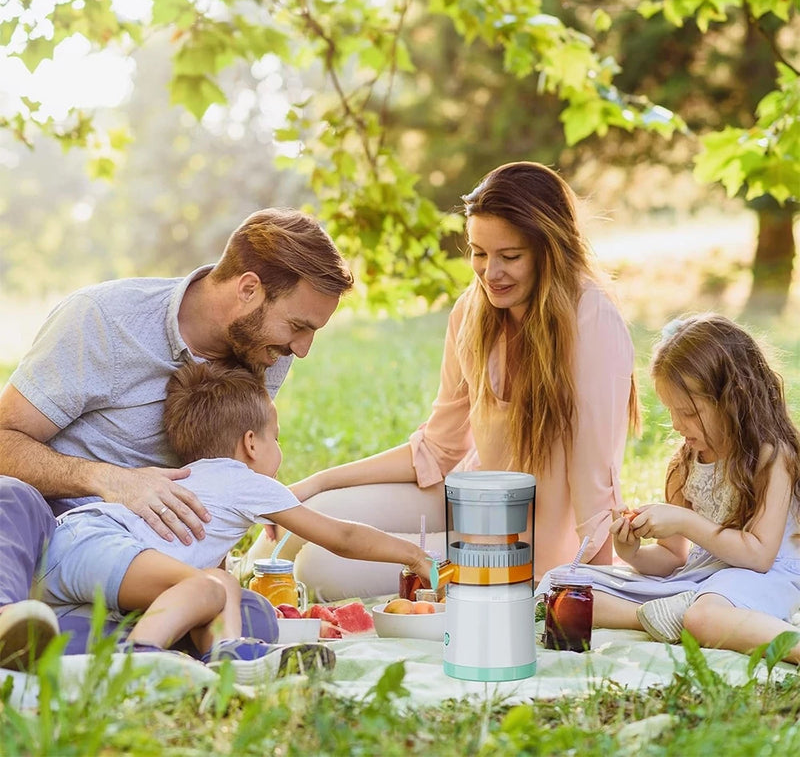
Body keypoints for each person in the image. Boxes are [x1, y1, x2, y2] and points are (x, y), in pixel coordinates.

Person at [265, 161, 638, 600]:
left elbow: (596, 478)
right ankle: (233, 600)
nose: (490, 273)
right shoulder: (473, 311)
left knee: (323, 568)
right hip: (468, 501)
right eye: (479, 253)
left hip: (526, 548)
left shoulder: (591, 319)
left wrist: (590, 591)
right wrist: (318, 482)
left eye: (510, 257)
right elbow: (438, 449)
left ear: (548, 250)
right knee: (311, 513)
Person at [0, 207, 354, 671]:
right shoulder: (104, 320)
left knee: (251, 616)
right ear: (248, 289)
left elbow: (226, 470)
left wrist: (212, 573)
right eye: (299, 326)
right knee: (10, 499)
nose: (302, 348)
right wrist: (110, 480)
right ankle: (10, 618)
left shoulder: (266, 351)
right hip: (51, 540)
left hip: (143, 566)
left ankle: (68, 644)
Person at [38, 361, 432, 681]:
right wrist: (414, 556)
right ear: (250, 443)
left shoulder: (198, 476)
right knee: (207, 588)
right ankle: (141, 661)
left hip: (70, 549)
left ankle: (229, 657)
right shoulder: (244, 481)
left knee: (222, 584)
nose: (279, 451)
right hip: (98, 541)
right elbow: (342, 536)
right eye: (278, 439)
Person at [536, 314, 800, 662]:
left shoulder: (771, 457)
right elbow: (672, 558)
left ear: (733, 400)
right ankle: (662, 616)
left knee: (704, 617)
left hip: (764, 577)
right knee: (557, 586)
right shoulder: (685, 464)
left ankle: (782, 643)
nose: (677, 424)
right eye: (672, 411)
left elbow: (759, 557)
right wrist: (630, 551)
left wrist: (685, 522)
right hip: (698, 580)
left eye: (689, 412)